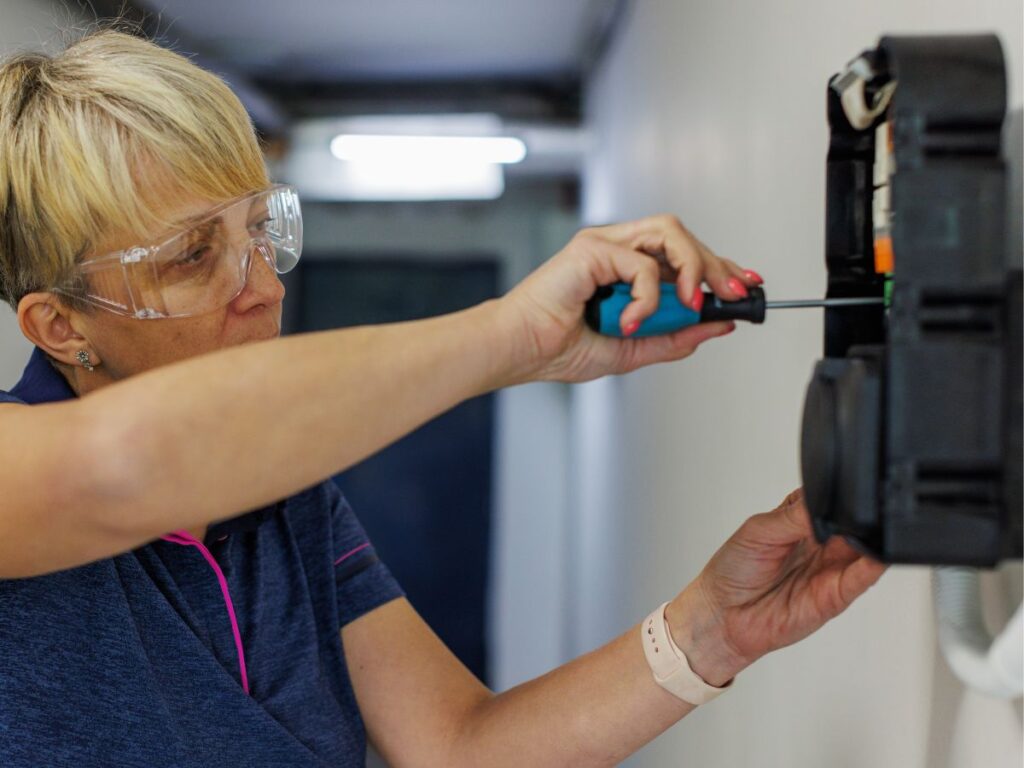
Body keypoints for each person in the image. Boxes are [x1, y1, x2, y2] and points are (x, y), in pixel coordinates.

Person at [0, 28, 885, 768]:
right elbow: (127, 468)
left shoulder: (287, 499)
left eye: (261, 231)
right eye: (193, 256)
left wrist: (711, 633)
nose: (261, 286)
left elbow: (457, 746)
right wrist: (513, 336)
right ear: (59, 326)